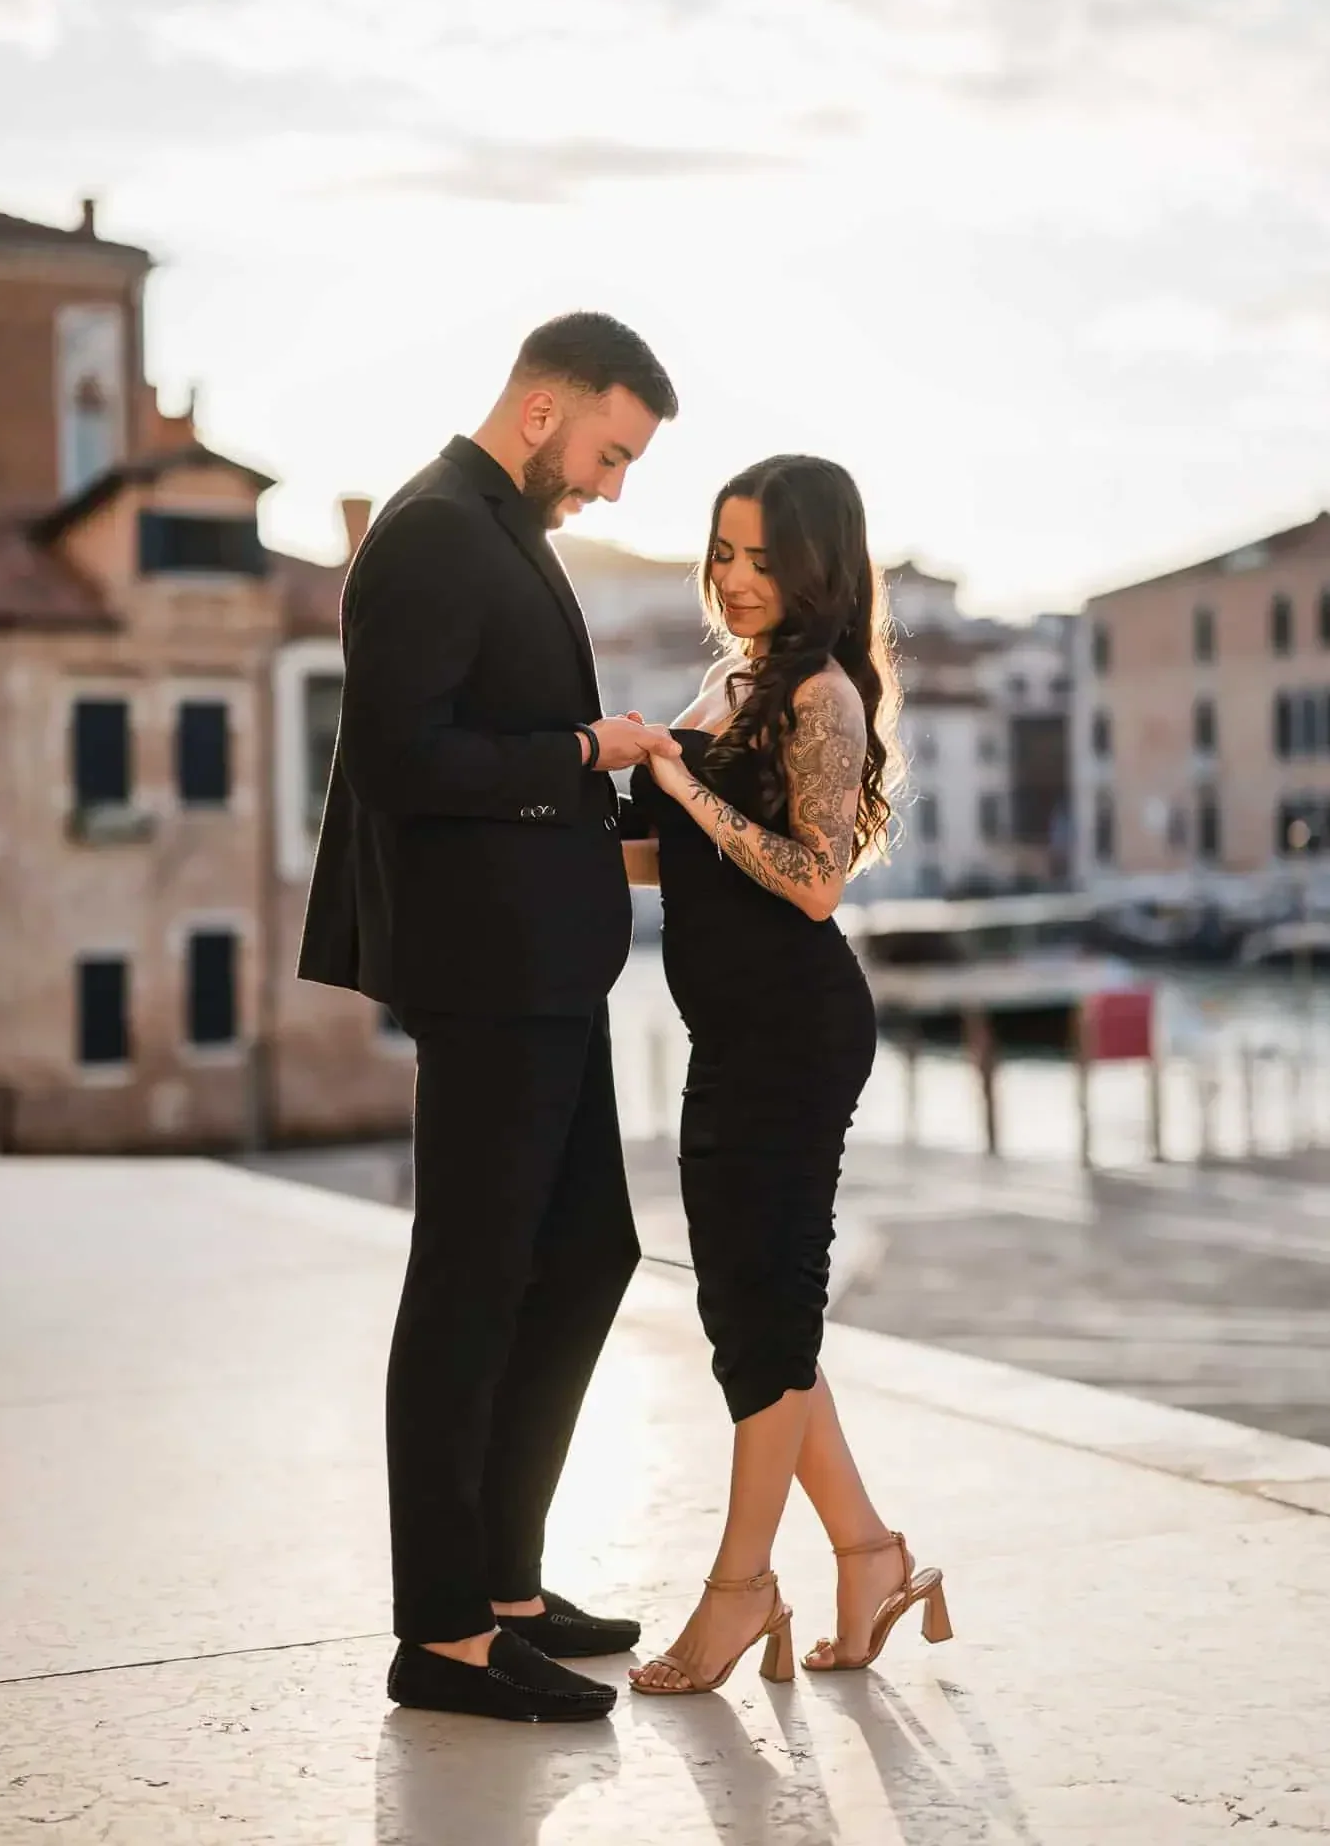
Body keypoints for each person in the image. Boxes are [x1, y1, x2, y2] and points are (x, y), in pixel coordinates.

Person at [298, 312, 681, 1723]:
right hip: (486, 973)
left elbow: (480, 741)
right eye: (610, 450)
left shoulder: (491, 526)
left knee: (587, 1254)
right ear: (543, 408)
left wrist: (619, 770)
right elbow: (402, 759)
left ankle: (507, 1586)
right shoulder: (434, 530)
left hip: (544, 969)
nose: (614, 485)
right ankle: (442, 1633)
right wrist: (582, 752)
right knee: (466, 1284)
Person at [621, 454, 952, 1695]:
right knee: (753, 1320)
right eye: (723, 551)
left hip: (795, 1032)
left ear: (818, 564)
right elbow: (687, 867)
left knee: (764, 1320)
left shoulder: (821, 694)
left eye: (764, 556)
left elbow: (813, 880)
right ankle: (870, 1554)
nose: (737, 578)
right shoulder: (735, 683)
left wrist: (677, 784)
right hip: (735, 1034)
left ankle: (739, 1585)